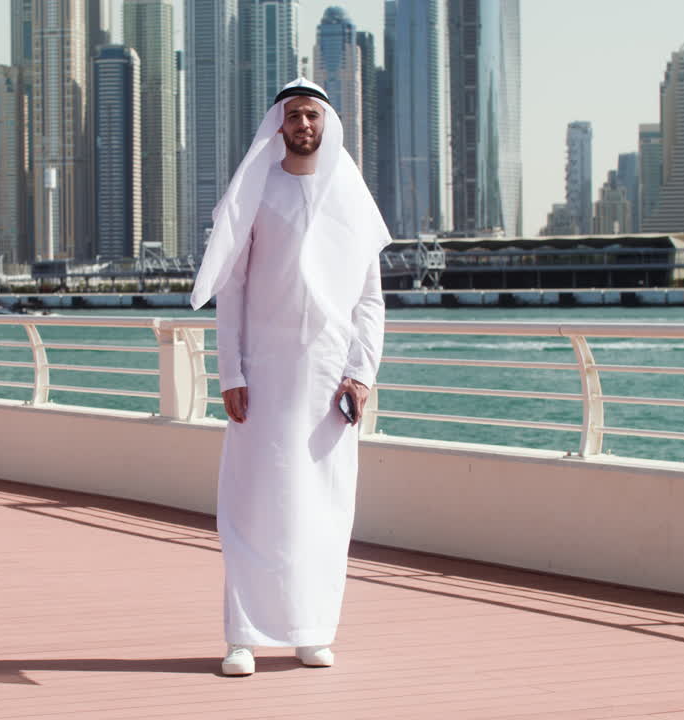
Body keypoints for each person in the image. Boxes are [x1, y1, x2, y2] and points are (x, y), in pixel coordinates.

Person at [190, 77, 388, 677]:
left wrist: (361, 374)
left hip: (330, 377)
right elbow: (232, 287)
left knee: (325, 507)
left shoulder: (349, 192)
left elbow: (370, 300)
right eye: (294, 115)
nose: (304, 125)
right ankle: (242, 637)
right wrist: (230, 370)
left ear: (327, 123)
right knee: (254, 503)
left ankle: (312, 629)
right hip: (264, 371)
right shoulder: (258, 187)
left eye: (312, 116)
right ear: (278, 123)